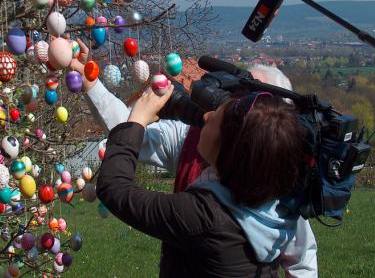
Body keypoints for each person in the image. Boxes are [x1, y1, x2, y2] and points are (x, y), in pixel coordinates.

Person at [70, 40, 317, 276]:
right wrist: (89, 81)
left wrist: (138, 118)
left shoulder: (204, 216)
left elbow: (116, 188)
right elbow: (129, 133)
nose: (206, 116)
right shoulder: (277, 197)